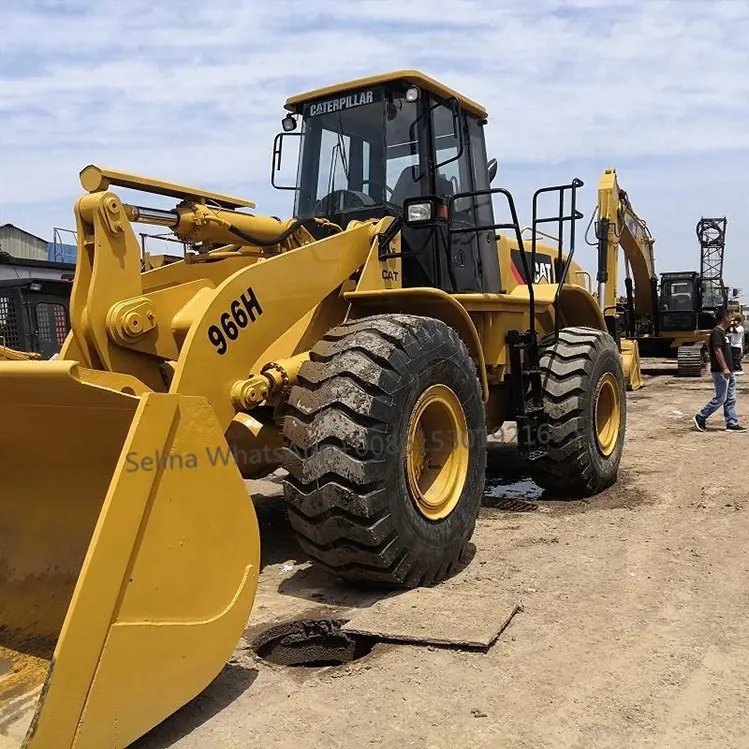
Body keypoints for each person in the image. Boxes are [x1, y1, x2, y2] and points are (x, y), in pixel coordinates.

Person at [693, 307, 747, 433]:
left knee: (730, 398)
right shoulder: (717, 332)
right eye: (730, 316)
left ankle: (732, 423)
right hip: (721, 371)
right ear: (724, 318)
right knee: (720, 398)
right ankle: (700, 417)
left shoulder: (723, 332)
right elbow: (717, 351)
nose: (732, 319)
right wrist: (724, 368)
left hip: (730, 370)